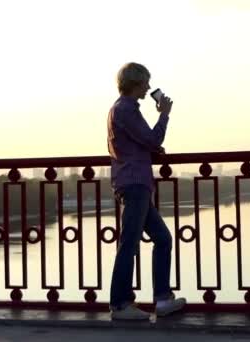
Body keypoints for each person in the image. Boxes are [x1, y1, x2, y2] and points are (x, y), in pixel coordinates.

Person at [107, 62, 186, 320]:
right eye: (145, 83)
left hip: (134, 182)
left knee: (162, 238)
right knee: (129, 244)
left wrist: (151, 149)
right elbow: (152, 138)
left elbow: (139, 142)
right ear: (135, 83)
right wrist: (164, 114)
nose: (149, 88)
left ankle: (162, 299)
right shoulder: (126, 109)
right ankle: (120, 304)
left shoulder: (120, 110)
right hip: (134, 184)